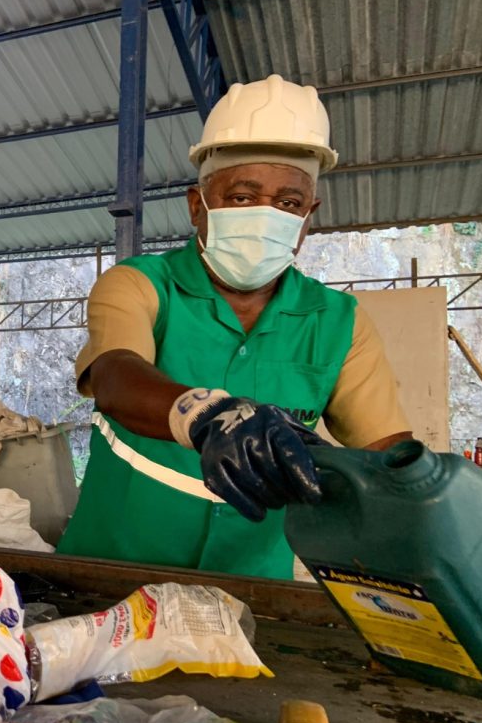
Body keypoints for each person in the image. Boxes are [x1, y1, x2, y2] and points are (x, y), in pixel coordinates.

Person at [57, 74, 412, 579]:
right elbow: (116, 377)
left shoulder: (339, 321)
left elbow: (385, 453)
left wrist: (425, 487)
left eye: (289, 203)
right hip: (111, 575)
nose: (267, 215)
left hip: (248, 591)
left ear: (309, 215)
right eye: (243, 196)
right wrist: (208, 415)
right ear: (198, 206)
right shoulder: (139, 285)